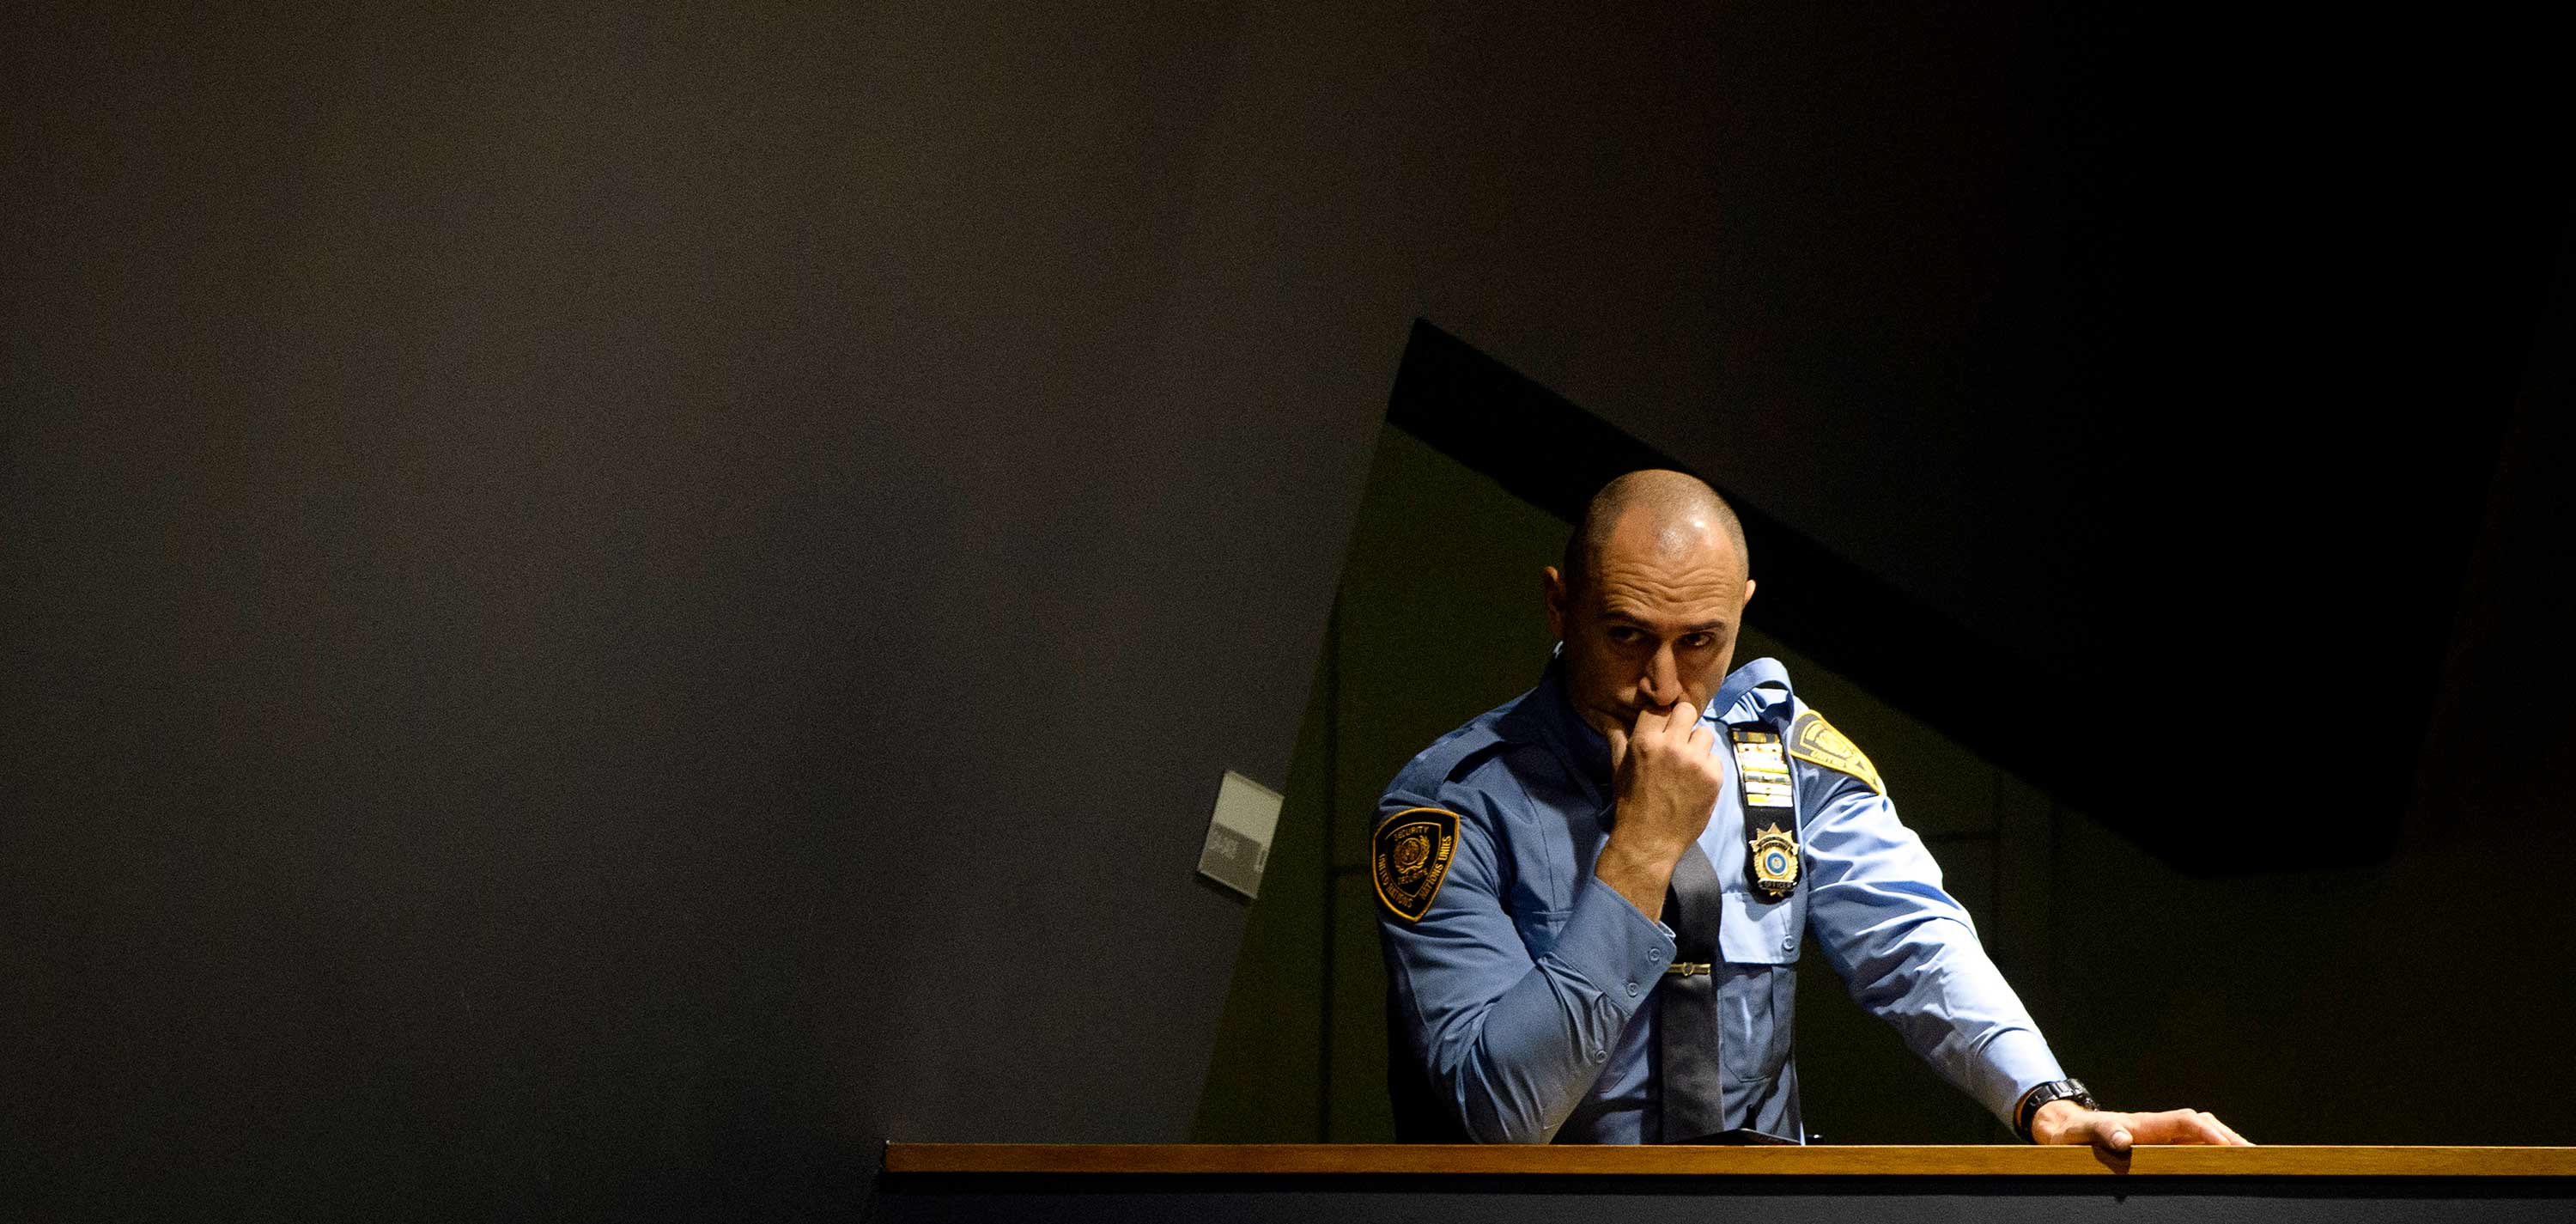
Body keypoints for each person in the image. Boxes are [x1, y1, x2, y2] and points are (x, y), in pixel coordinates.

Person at [1372, 469, 2248, 1148]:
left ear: (1743, 614)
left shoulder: (1780, 759)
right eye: (1627, 634)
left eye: (1702, 640)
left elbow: (1915, 942)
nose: (1664, 685)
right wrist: (1639, 853)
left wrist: (2044, 1101)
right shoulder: (1454, 805)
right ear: (1561, 604)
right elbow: (1499, 1117)